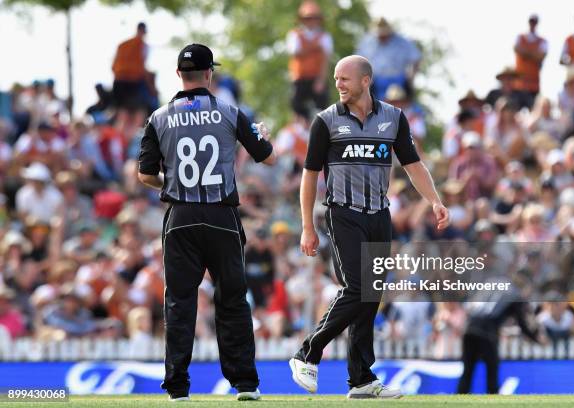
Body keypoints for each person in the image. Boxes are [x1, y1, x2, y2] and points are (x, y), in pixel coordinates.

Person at [289, 55, 449, 399]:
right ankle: (307, 353)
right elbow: (310, 176)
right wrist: (307, 225)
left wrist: (434, 199)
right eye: (335, 79)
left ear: (366, 81)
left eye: (344, 79)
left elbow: (413, 164)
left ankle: (361, 379)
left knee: (370, 296)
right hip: (343, 214)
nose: (338, 85)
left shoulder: (393, 118)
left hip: (380, 214)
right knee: (358, 288)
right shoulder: (326, 121)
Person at [137, 43, 276, 401]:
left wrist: (172, 183)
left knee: (180, 301)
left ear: (179, 75)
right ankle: (245, 383)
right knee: (232, 299)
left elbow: (144, 175)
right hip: (222, 218)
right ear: (209, 74)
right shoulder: (230, 111)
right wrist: (263, 134)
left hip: (180, 217)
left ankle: (178, 387)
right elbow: (266, 157)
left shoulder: (159, 117)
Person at [457, 292, 544, 394]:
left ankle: (461, 395)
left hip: (469, 329)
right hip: (487, 332)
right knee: (492, 367)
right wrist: (536, 339)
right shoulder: (514, 296)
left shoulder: (491, 291)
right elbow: (522, 323)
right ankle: (492, 394)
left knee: (468, 369)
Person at [286, 1, 333, 118]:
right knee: (296, 106)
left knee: (323, 108)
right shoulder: (294, 35)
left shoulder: (325, 36)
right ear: (302, 19)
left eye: (314, 18)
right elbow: (295, 53)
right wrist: (315, 47)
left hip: (317, 78)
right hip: (299, 79)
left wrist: (321, 80)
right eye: (308, 18)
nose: (311, 21)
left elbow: (326, 60)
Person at [356, 18, 422, 99]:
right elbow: (358, 62)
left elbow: (416, 58)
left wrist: (411, 77)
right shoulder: (367, 42)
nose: (382, 37)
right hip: (375, 83)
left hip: (399, 82)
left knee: (404, 104)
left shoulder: (402, 42)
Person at [514, 14, 548, 109]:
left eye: (534, 22)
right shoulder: (520, 37)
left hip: (534, 86)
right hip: (519, 85)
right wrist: (534, 54)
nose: (532, 24)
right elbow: (517, 49)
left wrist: (526, 53)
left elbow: (540, 56)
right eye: (531, 21)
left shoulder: (542, 41)